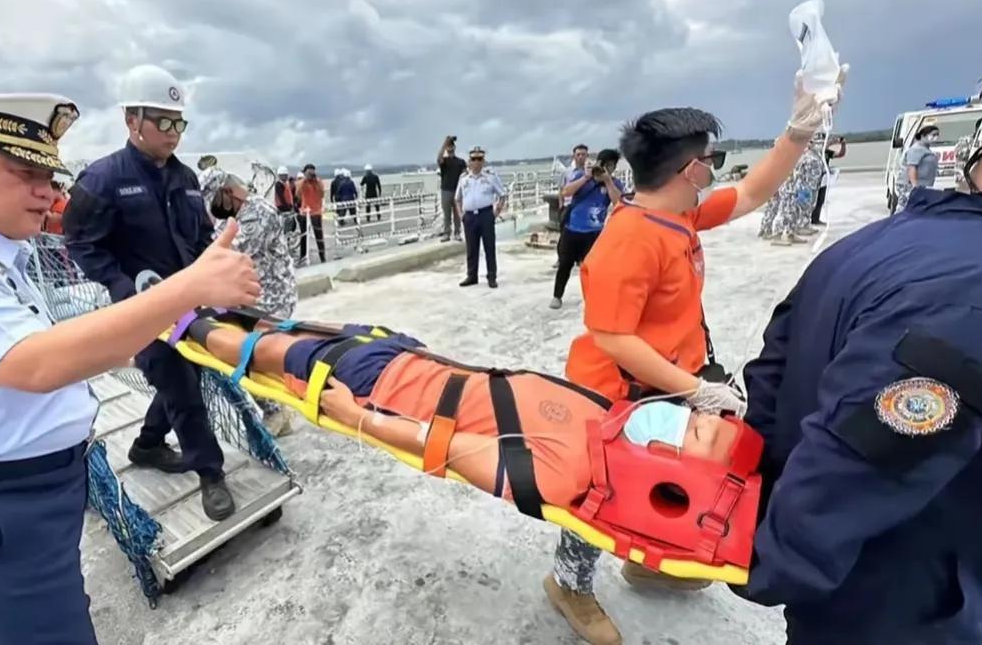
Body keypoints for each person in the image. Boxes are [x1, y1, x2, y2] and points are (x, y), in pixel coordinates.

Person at [0, 92, 260, 644]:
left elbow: (60, 350)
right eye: (26, 173)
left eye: (50, 173)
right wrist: (191, 286)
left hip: (27, 497)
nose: (49, 191)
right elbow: (39, 364)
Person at [544, 68, 847, 645]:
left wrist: (799, 129)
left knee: (665, 472)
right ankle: (569, 584)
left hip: (667, 382)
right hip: (614, 391)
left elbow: (755, 191)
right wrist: (693, 388)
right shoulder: (629, 238)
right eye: (711, 158)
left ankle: (645, 559)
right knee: (594, 494)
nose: (716, 167)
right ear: (690, 169)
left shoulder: (677, 214)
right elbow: (612, 337)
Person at [735, 112, 982, 644]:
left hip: (843, 571)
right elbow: (870, 445)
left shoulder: (870, 242)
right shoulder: (978, 290)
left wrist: (757, 500)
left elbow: (771, 371)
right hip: (905, 593)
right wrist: (774, 559)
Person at [181, 313, 741, 509]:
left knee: (273, 355)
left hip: (380, 385)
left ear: (670, 463)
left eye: (700, 430)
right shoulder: (613, 420)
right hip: (416, 356)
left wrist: (356, 418)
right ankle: (220, 311)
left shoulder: (566, 473)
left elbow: (437, 447)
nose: (705, 417)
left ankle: (187, 325)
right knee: (295, 330)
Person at [63, 64, 237, 520]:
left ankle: (147, 444)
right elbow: (81, 243)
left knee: (188, 376)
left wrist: (215, 284)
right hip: (141, 312)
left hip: (190, 303)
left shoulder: (185, 180)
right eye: (163, 121)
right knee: (181, 386)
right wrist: (124, 288)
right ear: (131, 120)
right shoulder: (102, 181)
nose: (173, 132)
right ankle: (211, 473)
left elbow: (200, 239)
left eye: (179, 122)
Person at [199, 168, 298, 437]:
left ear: (227, 193)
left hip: (273, 298)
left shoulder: (259, 213)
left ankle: (277, 411)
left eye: (214, 201)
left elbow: (229, 254)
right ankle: (278, 410)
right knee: (245, 356)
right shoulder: (234, 215)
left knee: (251, 357)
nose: (212, 209)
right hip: (247, 299)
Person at [550, 149, 622, 309]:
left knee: (593, 268)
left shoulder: (614, 183)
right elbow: (566, 192)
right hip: (572, 230)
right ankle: (557, 296)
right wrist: (586, 177)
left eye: (612, 166)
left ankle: (592, 299)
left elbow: (619, 203)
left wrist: (608, 181)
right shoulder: (584, 178)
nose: (608, 169)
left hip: (594, 233)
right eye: (605, 165)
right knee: (565, 265)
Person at [455, 145, 506, 288]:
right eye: (473, 159)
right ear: (469, 161)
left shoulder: (490, 177)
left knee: (489, 247)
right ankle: (472, 276)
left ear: (483, 161)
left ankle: (491, 277)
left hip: (485, 215)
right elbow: (457, 198)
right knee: (471, 248)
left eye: (479, 159)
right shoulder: (464, 178)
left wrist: (496, 213)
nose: (476, 162)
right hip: (470, 216)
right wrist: (461, 215)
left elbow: (502, 195)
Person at [892, 123, 941, 213]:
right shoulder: (916, 149)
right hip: (910, 186)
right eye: (933, 135)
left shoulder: (926, 149)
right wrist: (915, 186)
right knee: (904, 209)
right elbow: (912, 168)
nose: (936, 137)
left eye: (937, 135)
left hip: (923, 186)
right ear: (923, 135)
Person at [809, 134, 845, 225]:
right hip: (811, 179)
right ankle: (807, 220)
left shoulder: (827, 152)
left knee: (820, 199)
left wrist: (843, 145)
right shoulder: (813, 152)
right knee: (810, 200)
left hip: (823, 179)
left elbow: (840, 154)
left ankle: (815, 219)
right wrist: (831, 142)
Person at [436, 135, 465, 242]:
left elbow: (465, 175)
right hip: (445, 190)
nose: (450, 148)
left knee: (457, 214)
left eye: (451, 146)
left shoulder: (461, 162)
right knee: (446, 214)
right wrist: (445, 142)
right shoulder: (444, 161)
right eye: (448, 147)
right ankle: (447, 233)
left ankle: (457, 233)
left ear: (454, 148)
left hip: (457, 190)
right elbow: (438, 158)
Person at [297, 163, 327, 264]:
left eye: (312, 173)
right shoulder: (302, 183)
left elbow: (322, 194)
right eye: (308, 173)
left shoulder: (318, 182)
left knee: (319, 235)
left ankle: (322, 256)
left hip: (316, 212)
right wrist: (305, 179)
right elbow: (298, 193)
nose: (310, 175)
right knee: (304, 236)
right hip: (305, 213)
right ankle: (302, 256)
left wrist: (316, 182)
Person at [273, 165, 297, 234]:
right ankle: (286, 240)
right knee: (287, 226)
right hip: (282, 208)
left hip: (288, 208)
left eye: (286, 175)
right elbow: (281, 198)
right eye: (284, 175)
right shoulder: (278, 185)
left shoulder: (286, 184)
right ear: (280, 176)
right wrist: (288, 208)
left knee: (292, 226)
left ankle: (288, 239)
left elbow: (291, 196)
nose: (286, 177)